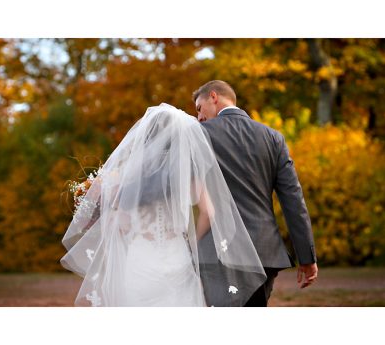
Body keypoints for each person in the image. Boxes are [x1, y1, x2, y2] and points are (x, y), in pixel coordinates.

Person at [61, 103, 266, 306]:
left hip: (140, 260)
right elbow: (209, 212)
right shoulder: (188, 172)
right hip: (176, 256)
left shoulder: (129, 173)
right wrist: (190, 241)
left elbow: (121, 223)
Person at [193, 80, 318, 307]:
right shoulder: (273, 138)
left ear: (213, 96)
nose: (199, 117)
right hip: (264, 252)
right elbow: (293, 200)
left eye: (199, 109)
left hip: (218, 252)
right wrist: (307, 256)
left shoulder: (199, 135)